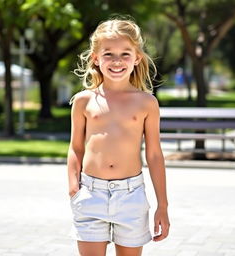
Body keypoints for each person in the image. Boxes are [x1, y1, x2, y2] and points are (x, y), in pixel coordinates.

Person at [67, 17, 170, 256]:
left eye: (125, 54)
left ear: (137, 58)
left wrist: (162, 205)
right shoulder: (84, 100)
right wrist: (74, 186)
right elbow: (76, 148)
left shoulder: (147, 102)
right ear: (95, 58)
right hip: (90, 194)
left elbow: (154, 155)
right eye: (108, 54)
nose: (117, 61)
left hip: (131, 196)